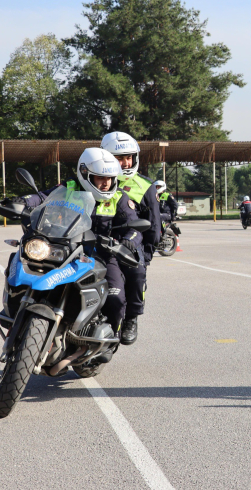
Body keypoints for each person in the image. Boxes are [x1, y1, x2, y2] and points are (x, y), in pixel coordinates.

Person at [11, 148, 141, 363]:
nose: (106, 183)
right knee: (25, 263)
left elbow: (135, 226)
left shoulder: (119, 196)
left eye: (110, 178)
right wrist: (24, 201)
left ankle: (110, 340)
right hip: (66, 246)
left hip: (102, 254)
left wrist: (128, 240)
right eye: (100, 178)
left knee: (116, 296)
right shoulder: (69, 188)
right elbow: (41, 197)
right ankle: (16, 311)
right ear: (85, 174)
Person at [101, 131, 161, 346]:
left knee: (137, 274)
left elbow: (154, 226)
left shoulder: (145, 185)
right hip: (95, 238)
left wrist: (145, 256)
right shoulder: (96, 178)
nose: (126, 163)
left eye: (129, 157)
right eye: (120, 158)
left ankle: (131, 318)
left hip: (130, 242)